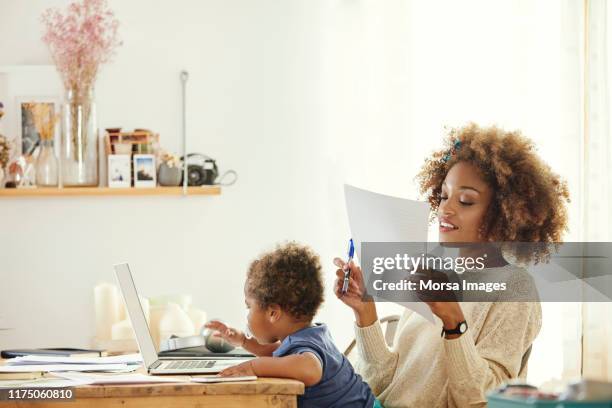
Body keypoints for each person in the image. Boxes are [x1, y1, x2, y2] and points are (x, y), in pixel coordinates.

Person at [334, 123, 570, 407]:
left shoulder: (515, 289)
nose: (445, 208)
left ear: (505, 213)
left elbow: (483, 401)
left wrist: (453, 321)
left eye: (466, 201)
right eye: (444, 196)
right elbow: (384, 384)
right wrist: (365, 313)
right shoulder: (435, 270)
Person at [207, 242, 381, 408]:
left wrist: (253, 367)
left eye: (249, 306)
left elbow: (310, 369)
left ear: (273, 313)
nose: (247, 315)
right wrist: (244, 341)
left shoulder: (306, 351)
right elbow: (278, 353)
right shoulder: (311, 335)